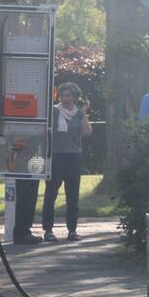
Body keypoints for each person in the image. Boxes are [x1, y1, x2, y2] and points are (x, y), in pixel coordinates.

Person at [42, 83, 92, 241]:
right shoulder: (54, 112)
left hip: (73, 157)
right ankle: (48, 230)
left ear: (75, 98)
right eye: (63, 95)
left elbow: (86, 133)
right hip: (56, 156)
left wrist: (84, 114)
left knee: (73, 196)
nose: (65, 99)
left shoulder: (79, 114)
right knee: (51, 195)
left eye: (69, 96)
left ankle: (72, 230)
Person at [12, 179, 42, 245]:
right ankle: (22, 233)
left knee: (31, 199)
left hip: (33, 172)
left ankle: (23, 232)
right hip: (25, 173)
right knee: (26, 199)